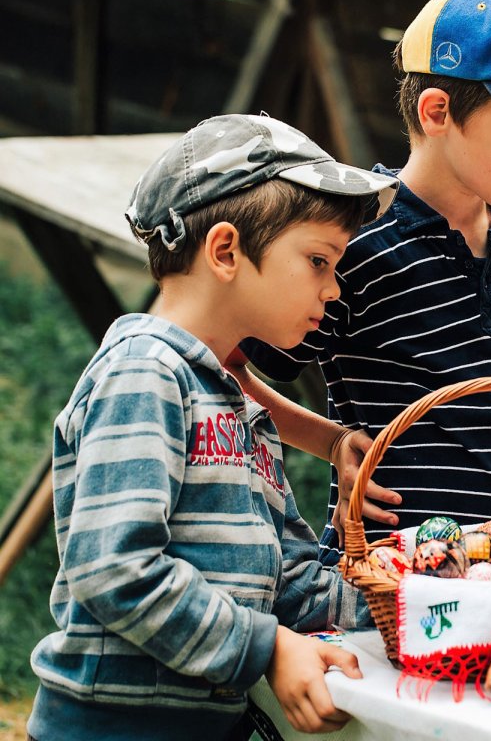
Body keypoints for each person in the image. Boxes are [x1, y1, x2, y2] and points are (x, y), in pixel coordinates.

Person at [232, 0, 491, 564]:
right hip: (389, 576)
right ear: (438, 111)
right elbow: (227, 369)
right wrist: (335, 440)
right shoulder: (350, 246)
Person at [27, 113, 400, 741]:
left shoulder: (239, 407)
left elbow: (287, 578)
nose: (334, 290)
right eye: (318, 260)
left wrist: (411, 606)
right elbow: (114, 570)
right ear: (225, 250)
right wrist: (268, 649)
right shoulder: (146, 374)